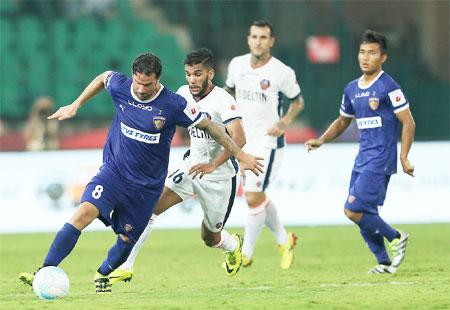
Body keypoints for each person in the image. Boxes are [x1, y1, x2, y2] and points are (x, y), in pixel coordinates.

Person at [19, 52, 263, 294]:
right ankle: (46, 270)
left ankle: (107, 269)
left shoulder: (174, 103)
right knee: (83, 213)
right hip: (116, 173)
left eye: (147, 85)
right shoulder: (122, 86)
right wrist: (75, 105)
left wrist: (239, 155)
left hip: (155, 185)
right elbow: (104, 77)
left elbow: (211, 126)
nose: (141, 89)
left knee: (202, 237)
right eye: (138, 82)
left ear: (157, 80)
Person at [108, 48, 250, 283]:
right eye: (188, 74)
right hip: (190, 167)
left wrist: (213, 165)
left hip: (219, 178)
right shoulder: (183, 92)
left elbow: (239, 138)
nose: (192, 80)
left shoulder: (224, 100)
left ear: (210, 73)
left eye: (197, 74)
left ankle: (232, 245)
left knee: (210, 238)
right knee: (149, 209)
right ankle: (126, 265)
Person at [305, 30, 415, 274]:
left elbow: (408, 122)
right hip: (362, 159)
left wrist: (404, 156)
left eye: (372, 53)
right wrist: (321, 140)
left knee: (352, 210)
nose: (366, 57)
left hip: (380, 159)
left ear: (383, 57)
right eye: (362, 52)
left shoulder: (389, 86)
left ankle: (396, 237)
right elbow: (343, 121)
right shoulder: (352, 89)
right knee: (364, 213)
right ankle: (384, 262)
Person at [224, 21, 304, 269]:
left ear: (272, 41)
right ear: (248, 39)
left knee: (252, 196)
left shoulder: (282, 72)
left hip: (268, 142)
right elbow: (227, 92)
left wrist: (285, 121)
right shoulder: (236, 65)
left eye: (264, 37)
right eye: (254, 36)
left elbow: (297, 101)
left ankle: (246, 252)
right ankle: (285, 239)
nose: (258, 41)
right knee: (257, 197)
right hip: (242, 142)